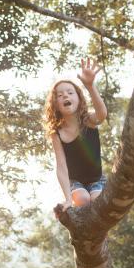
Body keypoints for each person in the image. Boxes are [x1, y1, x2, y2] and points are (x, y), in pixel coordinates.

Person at [44, 57, 108, 213]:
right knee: (83, 199)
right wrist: (67, 199)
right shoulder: (57, 134)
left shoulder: (88, 121)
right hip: (75, 183)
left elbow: (102, 114)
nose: (65, 96)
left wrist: (90, 86)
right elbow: (61, 167)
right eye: (60, 95)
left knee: (96, 200)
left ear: (79, 99)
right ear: (55, 105)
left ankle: (100, 233)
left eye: (70, 92)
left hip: (97, 180)